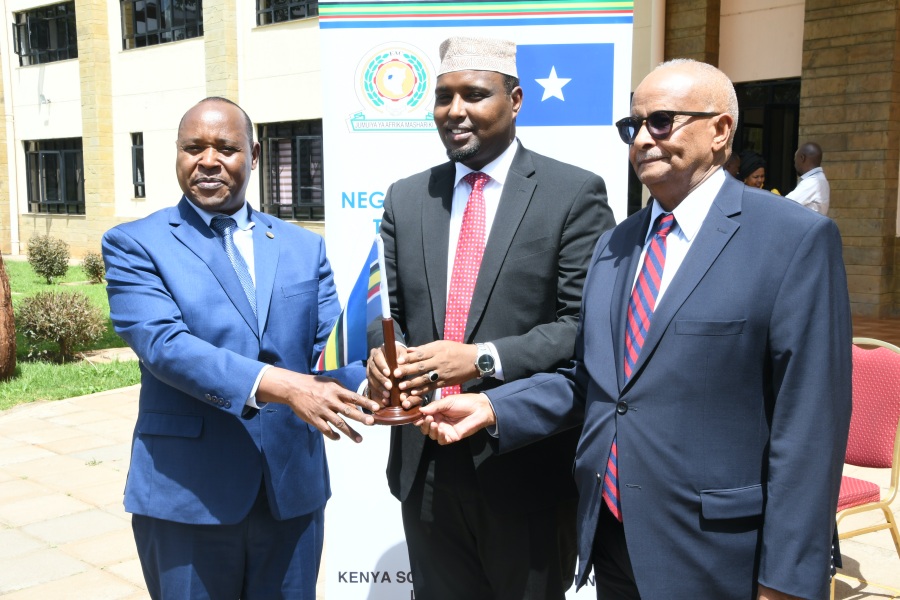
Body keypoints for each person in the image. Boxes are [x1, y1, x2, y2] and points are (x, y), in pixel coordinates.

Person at [421, 59, 852, 600]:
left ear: (720, 131)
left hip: (720, 554)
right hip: (614, 541)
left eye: (663, 121)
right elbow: (596, 385)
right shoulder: (617, 244)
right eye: (634, 126)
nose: (644, 138)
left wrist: (785, 580)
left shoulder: (793, 240)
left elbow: (811, 422)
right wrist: (493, 408)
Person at [366, 36, 615, 600]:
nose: (455, 111)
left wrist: (481, 360)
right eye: (443, 97)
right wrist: (384, 356)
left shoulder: (572, 193)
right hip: (424, 462)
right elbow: (387, 310)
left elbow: (583, 323)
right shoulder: (407, 197)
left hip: (522, 467)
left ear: (517, 100)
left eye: (474, 95)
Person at [102, 97, 380, 599]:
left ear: (253, 153)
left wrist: (373, 383)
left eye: (225, 148)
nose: (208, 161)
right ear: (177, 155)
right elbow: (164, 345)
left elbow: (328, 350)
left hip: (291, 492)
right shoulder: (135, 243)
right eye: (193, 148)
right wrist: (283, 386)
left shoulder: (302, 245)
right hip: (188, 495)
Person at [786, 141, 830, 215]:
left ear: (802, 158)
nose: (795, 165)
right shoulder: (820, 179)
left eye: (795, 160)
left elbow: (786, 204)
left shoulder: (813, 182)